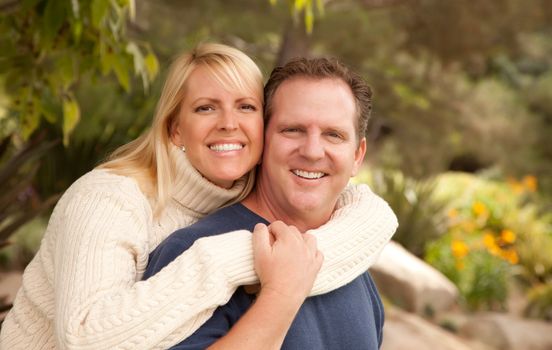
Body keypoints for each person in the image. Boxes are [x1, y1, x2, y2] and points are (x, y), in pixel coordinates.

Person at [0, 44, 397, 350]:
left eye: (244, 107)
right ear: (174, 128)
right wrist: (252, 272)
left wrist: (374, 223)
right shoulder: (113, 201)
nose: (229, 124)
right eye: (206, 108)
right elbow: (83, 337)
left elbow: (367, 213)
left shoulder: (345, 256)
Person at [146, 56, 388, 349]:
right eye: (293, 130)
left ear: (357, 157)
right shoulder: (191, 251)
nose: (312, 151)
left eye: (333, 135)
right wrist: (280, 295)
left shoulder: (353, 267)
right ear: (263, 140)